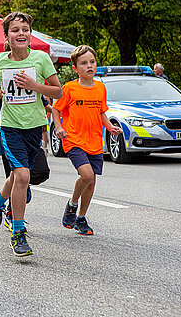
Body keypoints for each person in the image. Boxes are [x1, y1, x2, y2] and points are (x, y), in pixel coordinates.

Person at [0, 11, 62, 257]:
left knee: (19, 176)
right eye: (15, 30)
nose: (21, 33)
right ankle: (18, 232)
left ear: (30, 34)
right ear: (7, 36)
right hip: (10, 128)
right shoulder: (0, 61)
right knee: (22, 175)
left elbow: (58, 92)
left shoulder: (41, 59)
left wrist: (35, 87)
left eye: (25, 29)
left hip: (35, 128)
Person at [52, 45, 123, 235]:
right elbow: (56, 109)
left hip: (94, 140)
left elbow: (101, 113)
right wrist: (59, 127)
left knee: (91, 182)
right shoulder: (69, 88)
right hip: (73, 139)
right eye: (84, 63)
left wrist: (109, 127)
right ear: (75, 68)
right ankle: (72, 205)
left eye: (92, 62)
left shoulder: (100, 87)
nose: (89, 66)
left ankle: (81, 218)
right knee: (87, 175)